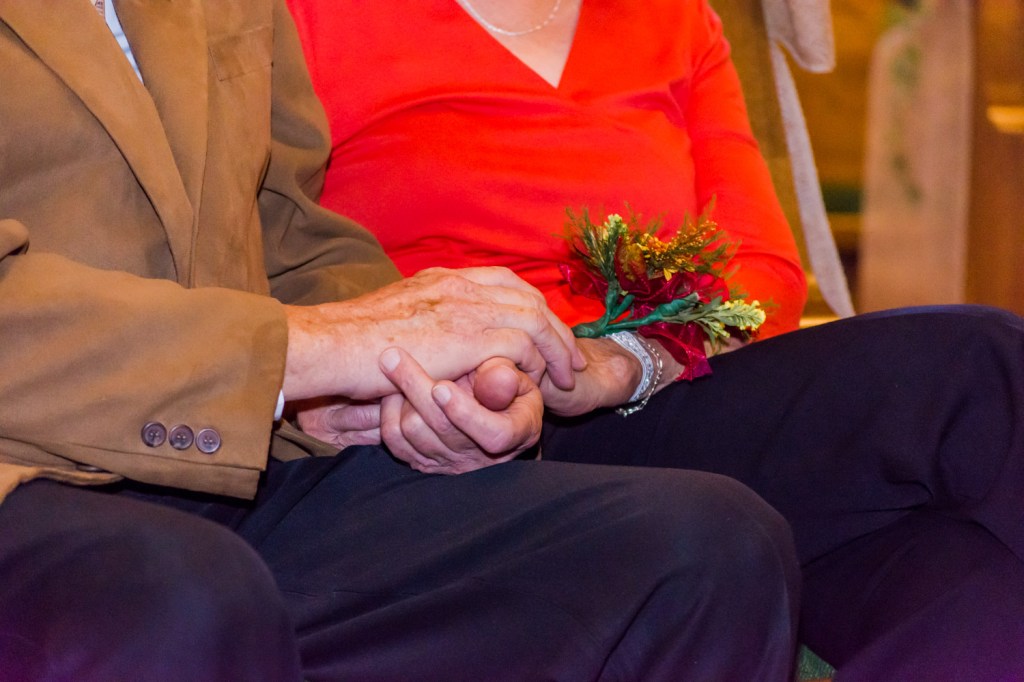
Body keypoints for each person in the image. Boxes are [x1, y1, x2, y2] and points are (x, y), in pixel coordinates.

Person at [0, 1, 802, 680]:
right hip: (29, 464)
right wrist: (302, 353)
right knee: (184, 594)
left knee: (704, 547)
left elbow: (291, 231)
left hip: (239, 465)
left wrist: (422, 381)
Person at [286, 0, 1024, 679]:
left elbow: (761, 268)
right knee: (981, 363)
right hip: (442, 428)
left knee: (974, 578)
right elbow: (262, 267)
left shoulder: (675, 19)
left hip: (654, 390)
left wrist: (627, 357)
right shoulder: (303, 17)